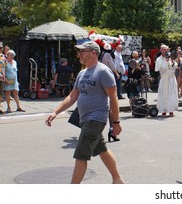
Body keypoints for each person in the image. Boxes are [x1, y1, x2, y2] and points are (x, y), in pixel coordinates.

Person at [45, 41, 124, 184]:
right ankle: (117, 179)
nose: (79, 54)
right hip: (85, 120)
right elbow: (72, 96)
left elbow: (113, 98)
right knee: (102, 150)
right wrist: (55, 112)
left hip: (95, 120)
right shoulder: (82, 73)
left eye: (82, 51)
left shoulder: (103, 72)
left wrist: (116, 123)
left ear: (93, 53)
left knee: (81, 156)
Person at [155, 44, 178, 117]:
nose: (166, 51)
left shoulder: (171, 57)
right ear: (161, 50)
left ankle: (171, 110)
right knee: (163, 95)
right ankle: (164, 110)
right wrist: (166, 61)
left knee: (172, 94)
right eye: (164, 49)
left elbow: (175, 66)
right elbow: (161, 68)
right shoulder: (159, 59)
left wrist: (172, 61)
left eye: (167, 49)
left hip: (171, 79)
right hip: (164, 78)